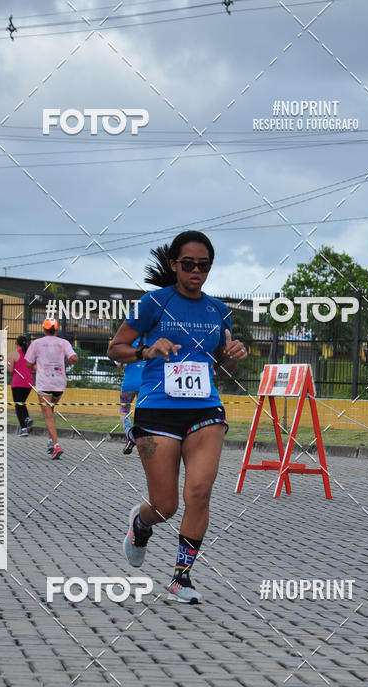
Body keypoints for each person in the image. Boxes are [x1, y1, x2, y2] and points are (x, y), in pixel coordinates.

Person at [108, 231, 247, 604]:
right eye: (188, 264)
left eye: (204, 265)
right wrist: (147, 350)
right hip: (157, 410)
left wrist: (233, 353)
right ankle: (140, 525)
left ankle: (181, 579)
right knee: (164, 507)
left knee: (199, 492)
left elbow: (219, 365)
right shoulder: (153, 303)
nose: (196, 271)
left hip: (205, 409)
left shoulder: (218, 309)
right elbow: (115, 349)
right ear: (174, 265)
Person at [24, 318, 77, 459]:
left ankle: (56, 445)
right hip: (59, 383)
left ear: (44, 329)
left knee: (47, 415)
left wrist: (39, 366)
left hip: (44, 383)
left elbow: (28, 363)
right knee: (51, 411)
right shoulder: (63, 343)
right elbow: (74, 357)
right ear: (57, 329)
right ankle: (50, 442)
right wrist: (69, 360)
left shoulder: (37, 343)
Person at [118, 338, 145, 455]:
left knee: (124, 411)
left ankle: (130, 436)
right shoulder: (151, 340)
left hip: (129, 383)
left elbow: (119, 365)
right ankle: (141, 444)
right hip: (145, 383)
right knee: (143, 413)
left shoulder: (128, 342)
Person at [7, 335, 33, 436]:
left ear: (16, 343)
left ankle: (23, 429)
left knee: (18, 405)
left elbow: (10, 370)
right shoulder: (30, 355)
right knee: (22, 402)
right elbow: (33, 367)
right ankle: (27, 418)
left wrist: (8, 364)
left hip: (18, 382)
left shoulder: (12, 355)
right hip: (29, 382)